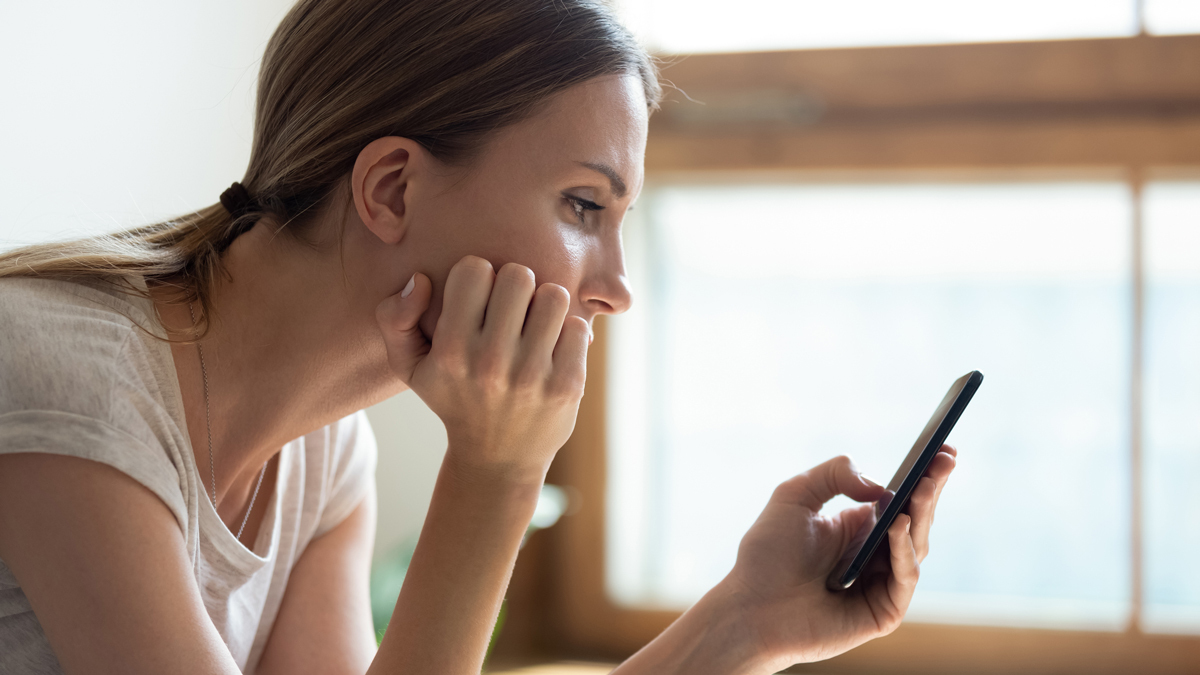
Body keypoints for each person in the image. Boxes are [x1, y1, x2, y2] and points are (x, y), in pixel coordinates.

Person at [0, 0, 957, 673]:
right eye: (584, 204)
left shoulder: (328, 455)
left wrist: (744, 626)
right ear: (392, 190)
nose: (615, 289)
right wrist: (497, 475)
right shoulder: (69, 382)